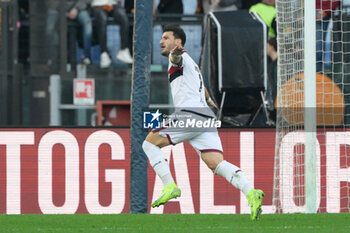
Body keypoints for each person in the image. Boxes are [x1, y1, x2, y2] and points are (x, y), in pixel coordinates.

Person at [142, 25, 264, 220]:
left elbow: (176, 59)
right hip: (206, 117)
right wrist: (208, 100)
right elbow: (203, 88)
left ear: (178, 42)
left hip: (190, 114)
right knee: (216, 164)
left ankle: (169, 185)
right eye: (161, 38)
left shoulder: (178, 59)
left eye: (166, 37)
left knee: (149, 143)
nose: (161, 41)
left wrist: (175, 56)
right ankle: (251, 192)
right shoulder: (193, 64)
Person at [45, 0, 92, 66]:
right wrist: (62, 10)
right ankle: (52, 58)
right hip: (56, 8)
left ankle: (86, 56)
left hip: (78, 9)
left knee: (87, 24)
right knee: (49, 29)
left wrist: (76, 8)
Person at [91, 0, 133, 68]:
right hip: (97, 5)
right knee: (102, 19)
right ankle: (104, 53)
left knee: (123, 18)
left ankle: (124, 49)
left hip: (112, 5)